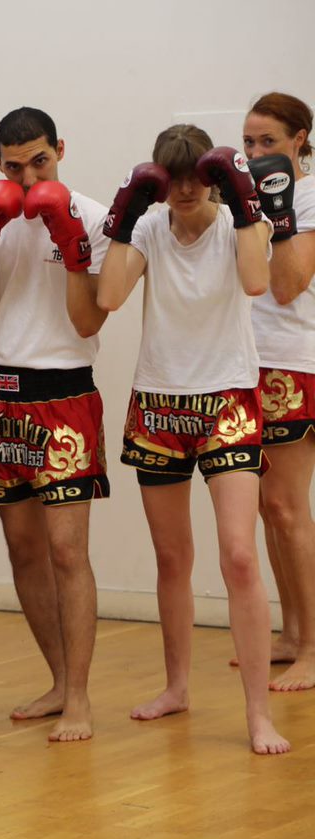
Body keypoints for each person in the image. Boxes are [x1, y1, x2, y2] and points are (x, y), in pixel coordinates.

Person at [96, 123, 289, 754]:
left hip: (227, 399)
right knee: (172, 557)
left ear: (210, 176)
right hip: (159, 402)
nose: (181, 190)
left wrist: (244, 205)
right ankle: (177, 686)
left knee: (238, 554)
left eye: (191, 178)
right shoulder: (151, 227)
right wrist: (124, 219)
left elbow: (258, 283)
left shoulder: (240, 222)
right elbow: (110, 295)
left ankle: (259, 713)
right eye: (169, 178)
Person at [0, 108, 110, 741]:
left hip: (65, 392)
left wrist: (72, 248)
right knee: (23, 551)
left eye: (39, 162)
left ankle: (81, 697)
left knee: (68, 552)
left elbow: (88, 322)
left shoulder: (94, 217)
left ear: (60, 151)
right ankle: (57, 680)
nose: (27, 176)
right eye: (14, 166)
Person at [241, 93, 315, 690]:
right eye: (249, 143)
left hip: (295, 363)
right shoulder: (253, 199)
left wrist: (282, 206)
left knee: (289, 509)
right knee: (269, 507)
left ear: (299, 140)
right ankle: (292, 632)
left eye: (268, 142)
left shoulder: (310, 194)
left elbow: (288, 286)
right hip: (250, 363)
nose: (257, 153)